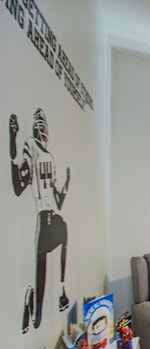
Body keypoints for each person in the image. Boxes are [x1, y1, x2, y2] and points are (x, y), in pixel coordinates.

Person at [9, 109, 70, 334]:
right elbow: (18, 183)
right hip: (40, 218)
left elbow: (59, 199)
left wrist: (66, 185)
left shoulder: (49, 156)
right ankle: (32, 306)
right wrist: (12, 139)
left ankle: (62, 290)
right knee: (39, 307)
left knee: (65, 230)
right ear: (35, 127)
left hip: (52, 216)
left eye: (45, 123)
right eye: (39, 123)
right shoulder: (30, 146)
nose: (42, 127)